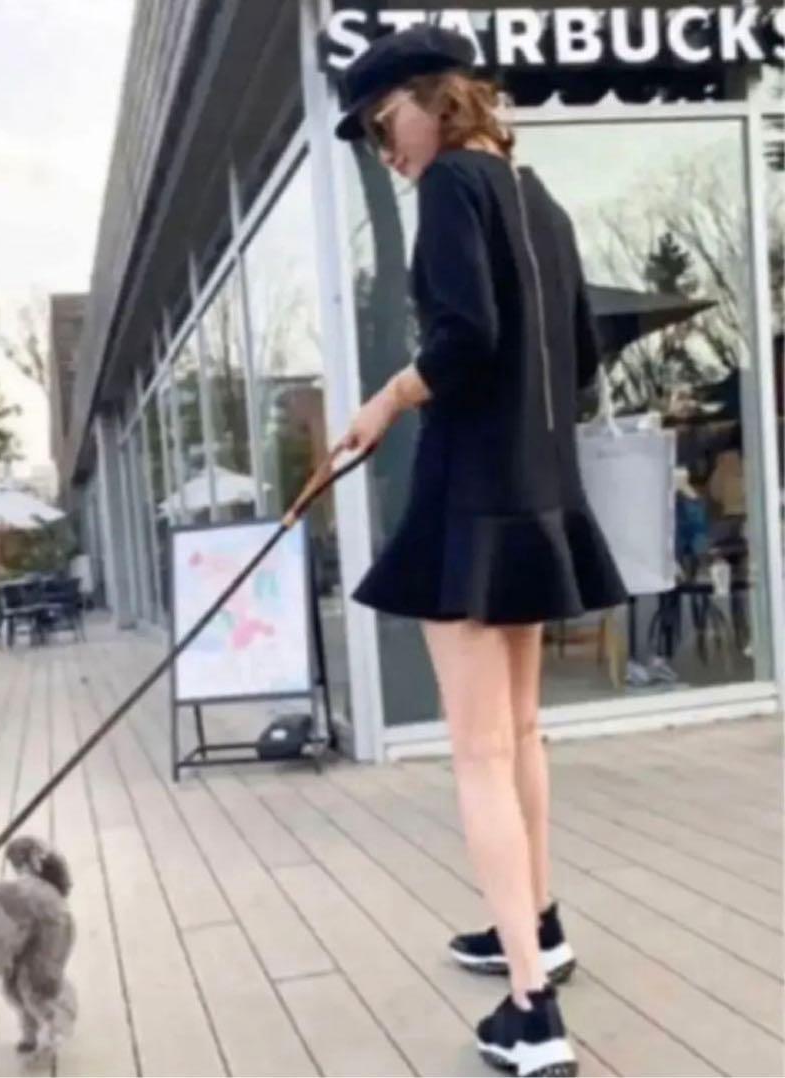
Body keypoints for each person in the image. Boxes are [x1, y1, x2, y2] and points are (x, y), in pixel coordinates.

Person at [333, 24, 627, 1078]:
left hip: (470, 499)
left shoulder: (453, 184)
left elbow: (464, 335)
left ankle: (532, 1013)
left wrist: (386, 398)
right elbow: (580, 356)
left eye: (384, 126)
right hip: (538, 492)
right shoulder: (538, 199)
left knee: (479, 755)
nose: (386, 152)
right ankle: (535, 927)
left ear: (432, 98)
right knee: (522, 734)